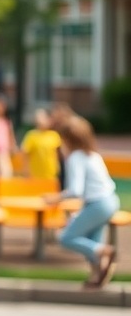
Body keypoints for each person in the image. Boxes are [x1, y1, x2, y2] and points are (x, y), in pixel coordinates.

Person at [46, 116, 119, 289]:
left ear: (68, 140)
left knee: (66, 238)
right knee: (92, 242)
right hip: (110, 200)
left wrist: (55, 198)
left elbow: (75, 190)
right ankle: (97, 277)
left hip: (98, 204)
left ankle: (105, 252)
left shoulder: (76, 158)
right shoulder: (93, 155)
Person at [21, 108, 63, 180]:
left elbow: (59, 154)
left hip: (51, 176)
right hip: (35, 177)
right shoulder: (31, 135)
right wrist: (26, 172)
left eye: (43, 118)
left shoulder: (54, 136)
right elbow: (25, 155)